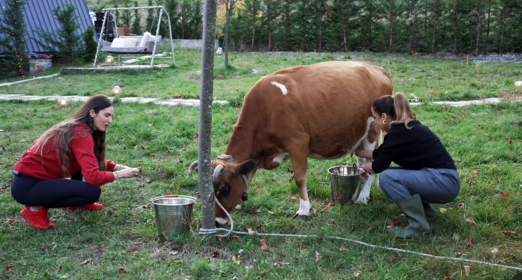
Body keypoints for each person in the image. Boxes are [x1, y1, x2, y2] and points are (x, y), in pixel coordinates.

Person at [11, 95, 140, 230]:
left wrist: (116, 167)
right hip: (28, 186)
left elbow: (88, 159)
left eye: (111, 116)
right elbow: (94, 177)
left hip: (31, 182)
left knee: (85, 183)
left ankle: (75, 203)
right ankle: (34, 209)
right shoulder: (81, 134)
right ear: (92, 112)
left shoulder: (80, 129)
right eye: (106, 115)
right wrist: (121, 174)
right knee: (92, 192)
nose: (110, 120)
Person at [355, 92, 460, 239]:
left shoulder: (397, 135)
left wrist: (362, 168)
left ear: (384, 117)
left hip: (444, 182)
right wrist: (356, 150)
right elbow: (379, 154)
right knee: (391, 175)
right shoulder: (405, 129)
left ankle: (419, 227)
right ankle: (426, 213)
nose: (375, 123)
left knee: (387, 178)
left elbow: (377, 167)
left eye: (375, 118)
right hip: (443, 179)